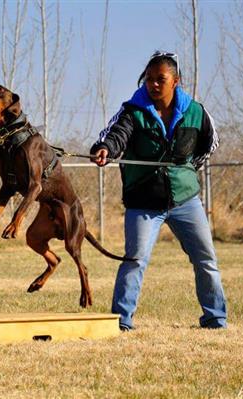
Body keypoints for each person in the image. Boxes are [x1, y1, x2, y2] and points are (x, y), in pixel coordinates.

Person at [90, 51, 227, 331]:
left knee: (206, 259)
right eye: (149, 79)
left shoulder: (195, 111)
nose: (153, 84)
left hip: (185, 200)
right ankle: (122, 323)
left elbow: (210, 143)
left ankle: (215, 319)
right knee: (135, 260)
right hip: (143, 201)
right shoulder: (133, 110)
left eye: (160, 79)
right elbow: (115, 135)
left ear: (175, 81)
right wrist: (105, 150)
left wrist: (187, 171)